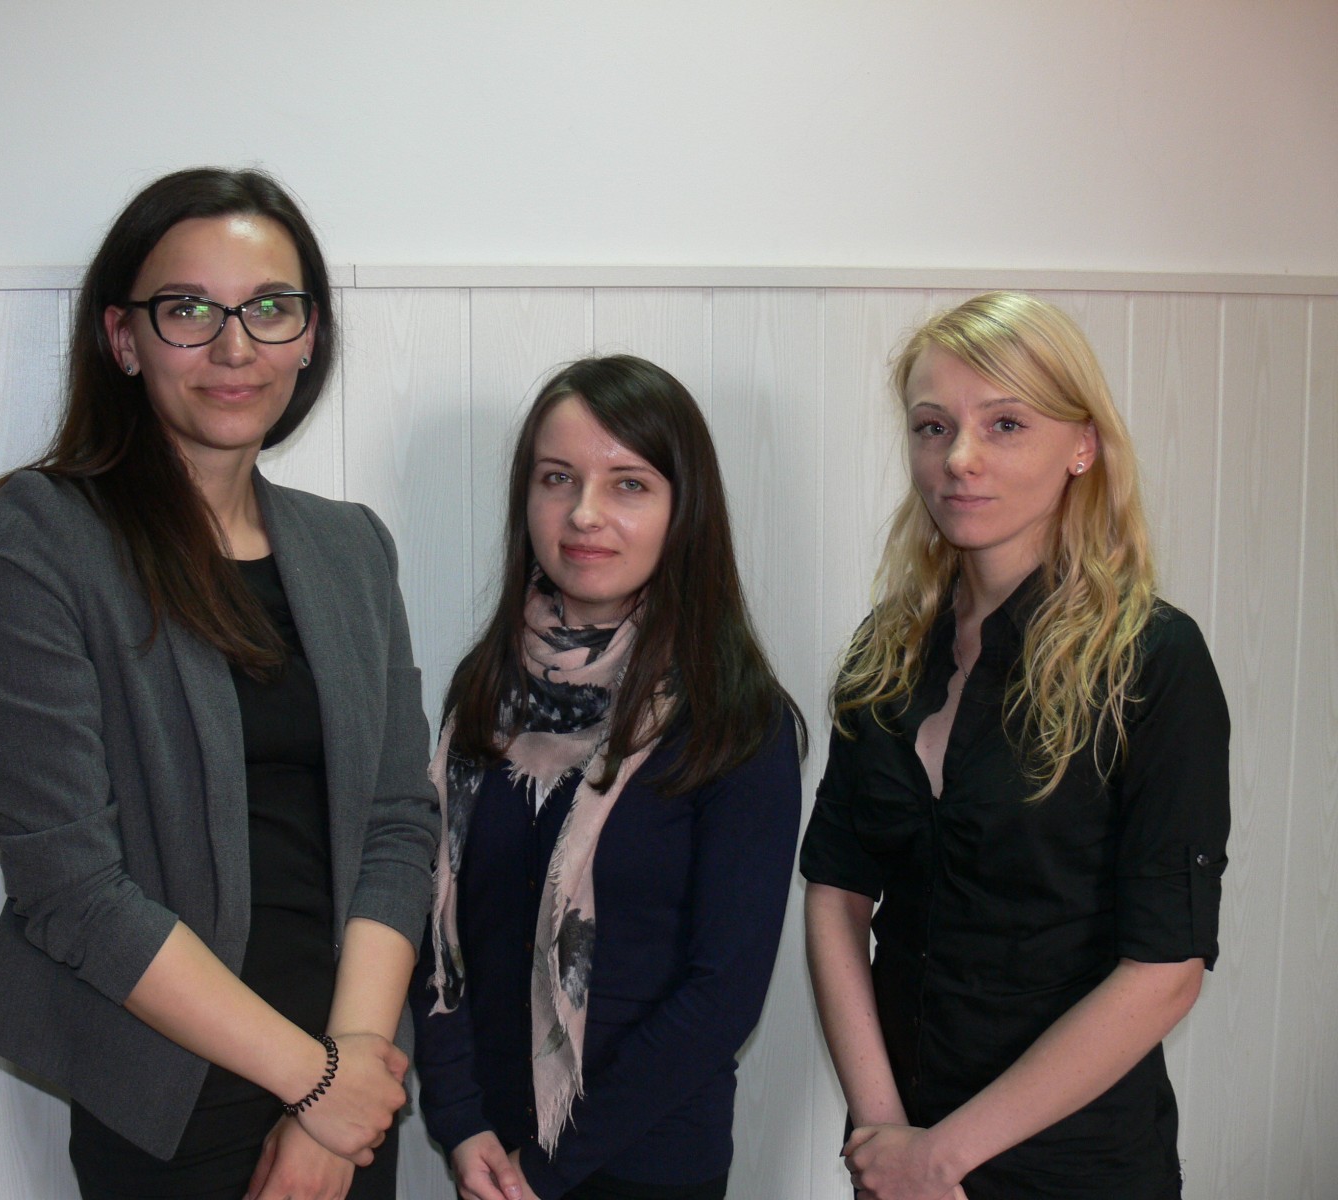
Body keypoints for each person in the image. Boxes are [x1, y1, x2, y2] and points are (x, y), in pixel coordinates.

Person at [0, 167, 438, 1200]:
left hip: (350, 1072)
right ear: (123, 339)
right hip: (171, 1095)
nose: (234, 346)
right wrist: (311, 1079)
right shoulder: (45, 539)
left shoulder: (352, 548)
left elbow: (398, 822)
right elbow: (68, 885)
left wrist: (348, 1069)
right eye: (188, 310)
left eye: (269, 308)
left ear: (309, 336)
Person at [800, 292, 1230, 1200]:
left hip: (1074, 1167)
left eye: (1005, 424)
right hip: (896, 1153)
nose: (959, 458)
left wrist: (942, 1157)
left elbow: (1165, 972)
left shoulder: (1156, 661)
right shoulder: (886, 649)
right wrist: (886, 1134)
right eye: (933, 426)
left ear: (1083, 446)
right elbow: (836, 894)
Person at [409, 355, 806, 1200]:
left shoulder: (737, 719)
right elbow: (434, 926)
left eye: (629, 484)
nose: (584, 513)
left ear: (683, 510)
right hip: (490, 1155)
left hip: (646, 1168)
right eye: (558, 478)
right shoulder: (483, 694)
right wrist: (460, 1120)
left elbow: (723, 995)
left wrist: (547, 1167)